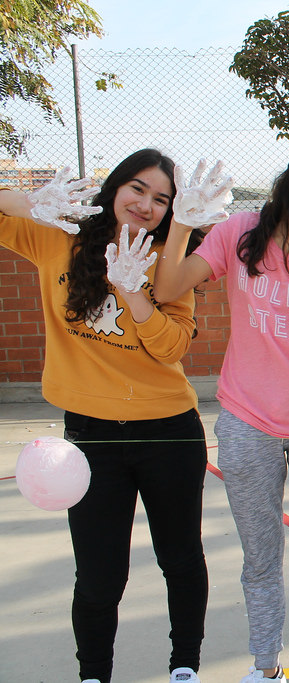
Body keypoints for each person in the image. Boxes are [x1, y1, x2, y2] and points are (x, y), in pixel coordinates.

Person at [153, 118, 289, 683]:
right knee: (260, 558)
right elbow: (168, 288)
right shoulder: (241, 233)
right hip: (247, 422)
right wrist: (183, 222)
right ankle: (266, 665)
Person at [0, 150, 209, 683]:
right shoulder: (58, 237)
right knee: (98, 576)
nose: (146, 205)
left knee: (180, 559)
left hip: (168, 431)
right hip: (89, 437)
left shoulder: (170, 261)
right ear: (115, 188)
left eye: (162, 199)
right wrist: (26, 201)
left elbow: (171, 348)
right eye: (137, 189)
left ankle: (184, 666)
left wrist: (137, 292)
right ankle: (94, 674)